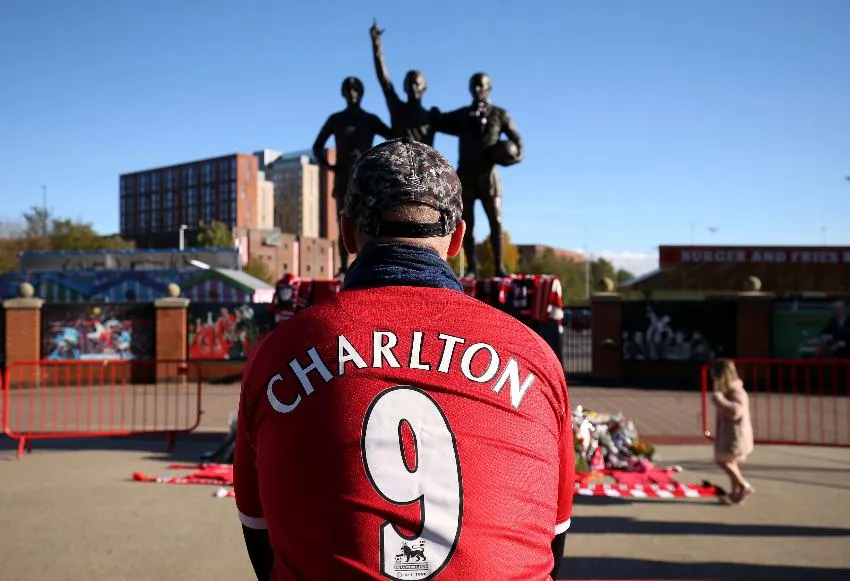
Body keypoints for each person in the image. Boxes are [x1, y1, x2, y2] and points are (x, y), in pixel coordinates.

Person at [234, 137, 574, 581]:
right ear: (457, 238)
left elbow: (261, 539)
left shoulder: (278, 353)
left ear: (348, 232)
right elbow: (552, 542)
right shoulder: (534, 358)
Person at [437, 73, 523, 278]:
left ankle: (499, 267)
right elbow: (439, 121)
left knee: (496, 222)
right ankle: (473, 267)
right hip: (466, 176)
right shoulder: (462, 115)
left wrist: (508, 158)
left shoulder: (501, 114)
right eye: (473, 86)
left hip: (490, 178)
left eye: (480, 86)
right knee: (467, 224)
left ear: (488, 88)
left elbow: (519, 145)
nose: (477, 90)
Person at [312, 76, 393, 276]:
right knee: (345, 221)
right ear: (343, 93)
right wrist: (328, 166)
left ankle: (366, 263)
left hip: (367, 178)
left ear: (361, 93)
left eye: (356, 89)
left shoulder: (370, 119)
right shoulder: (336, 119)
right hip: (343, 178)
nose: (352, 94)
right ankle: (343, 267)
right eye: (348, 90)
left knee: (369, 221)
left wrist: (381, 163)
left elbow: (393, 137)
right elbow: (317, 146)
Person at [369, 19, 440, 145]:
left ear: (424, 88)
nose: (413, 87)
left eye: (416, 84)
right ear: (404, 87)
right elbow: (384, 80)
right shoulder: (397, 109)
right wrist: (376, 43)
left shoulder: (431, 117)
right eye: (409, 83)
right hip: (398, 164)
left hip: (424, 164)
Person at [709, 359, 755, 504]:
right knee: (730, 461)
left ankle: (742, 484)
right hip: (731, 434)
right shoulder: (730, 390)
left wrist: (719, 400)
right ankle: (735, 492)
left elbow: (736, 411)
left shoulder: (735, 391)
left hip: (735, 436)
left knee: (722, 461)